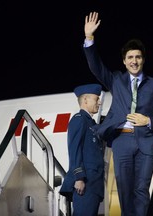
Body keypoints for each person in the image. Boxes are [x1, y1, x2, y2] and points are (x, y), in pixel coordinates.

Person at [83, 12, 153, 216]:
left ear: (143, 60)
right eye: (130, 57)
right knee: (124, 191)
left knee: (141, 189)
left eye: (138, 57)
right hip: (122, 141)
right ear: (124, 61)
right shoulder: (116, 80)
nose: (134, 61)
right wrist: (89, 39)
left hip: (146, 142)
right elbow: (96, 67)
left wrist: (148, 120)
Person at [59, 83, 105, 216]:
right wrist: (79, 177)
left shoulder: (91, 124)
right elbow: (74, 150)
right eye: (96, 99)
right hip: (85, 182)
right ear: (85, 100)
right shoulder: (79, 120)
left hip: (94, 183)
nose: (99, 102)